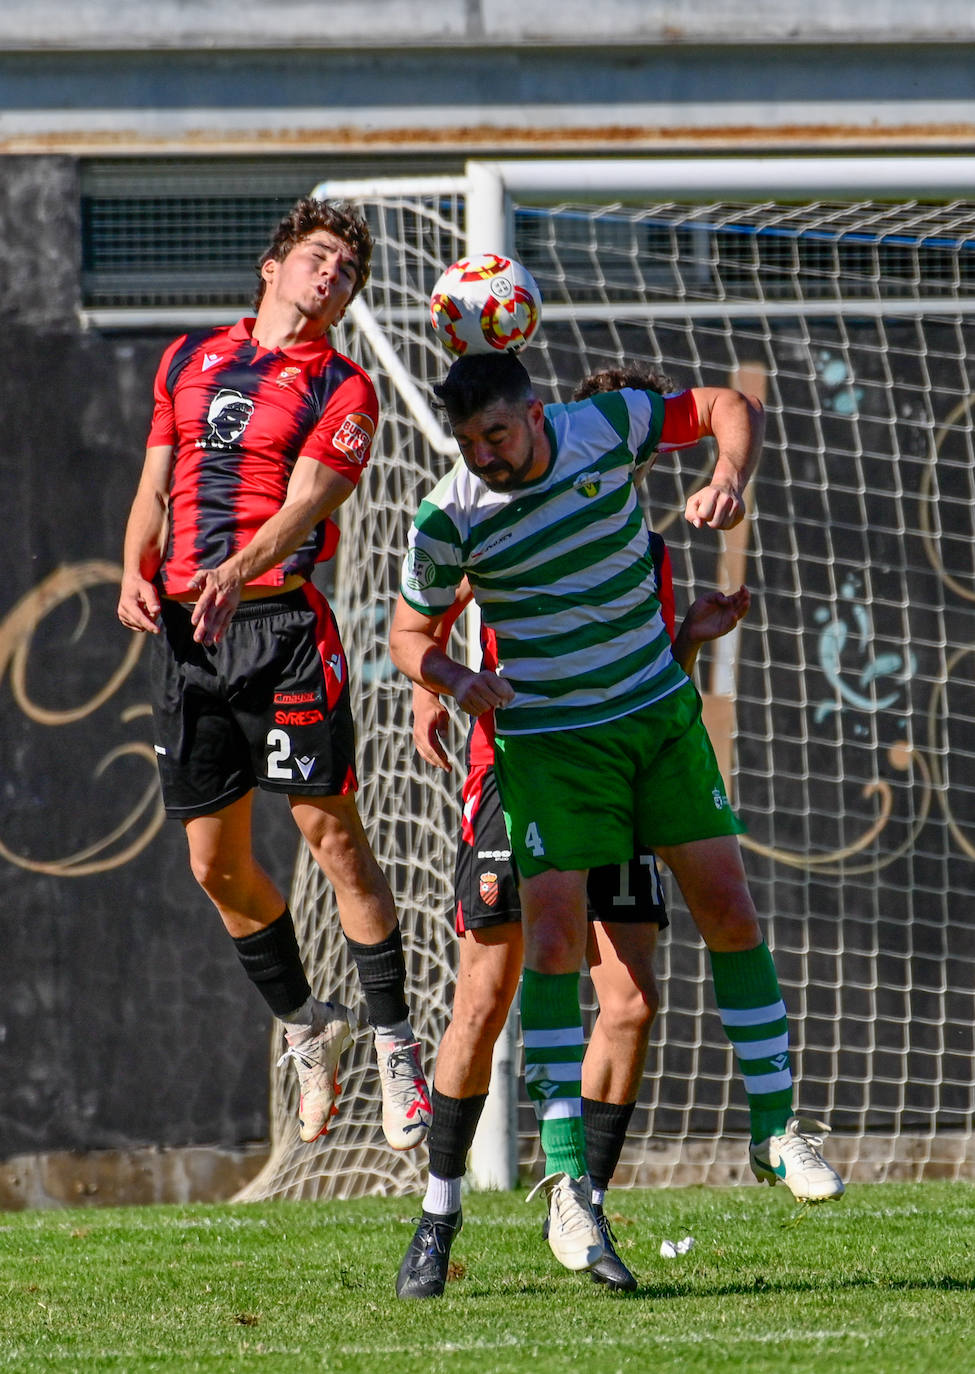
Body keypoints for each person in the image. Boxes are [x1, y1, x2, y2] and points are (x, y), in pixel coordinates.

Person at [389, 351, 843, 1276]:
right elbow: (407, 631)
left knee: (727, 912)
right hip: (548, 746)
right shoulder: (448, 517)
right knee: (546, 946)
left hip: (655, 719)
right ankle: (554, 1188)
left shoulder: (606, 429)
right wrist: (449, 677)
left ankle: (774, 1129)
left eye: (498, 434)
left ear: (537, 411)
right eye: (468, 441)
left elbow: (726, 404)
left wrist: (726, 475)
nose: (485, 455)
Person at [117, 197, 431, 1154]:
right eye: (318, 256)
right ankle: (306, 1024)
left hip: (281, 629)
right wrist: (136, 565)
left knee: (331, 839)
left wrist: (233, 573)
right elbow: (155, 488)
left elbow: (306, 507)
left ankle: (392, 1047)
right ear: (274, 264)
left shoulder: (344, 386)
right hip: (189, 641)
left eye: (346, 271)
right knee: (212, 863)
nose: (330, 275)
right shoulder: (187, 358)